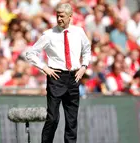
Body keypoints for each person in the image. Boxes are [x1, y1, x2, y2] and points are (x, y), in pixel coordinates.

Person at [26, 3, 91, 143]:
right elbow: (30, 53)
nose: (59, 18)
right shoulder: (48, 35)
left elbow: (87, 49)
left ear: (70, 17)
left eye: (62, 16)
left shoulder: (79, 32)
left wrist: (84, 66)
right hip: (56, 77)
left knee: (72, 119)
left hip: (74, 77)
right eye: (57, 15)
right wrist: (44, 67)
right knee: (53, 118)